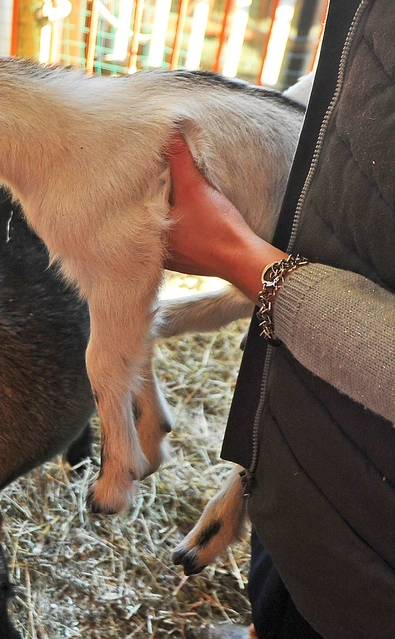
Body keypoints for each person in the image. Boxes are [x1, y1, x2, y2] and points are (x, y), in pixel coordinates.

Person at [164, 1, 395, 637]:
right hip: (303, 458)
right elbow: (349, 96)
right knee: (279, 587)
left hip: (372, 560)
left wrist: (240, 258)